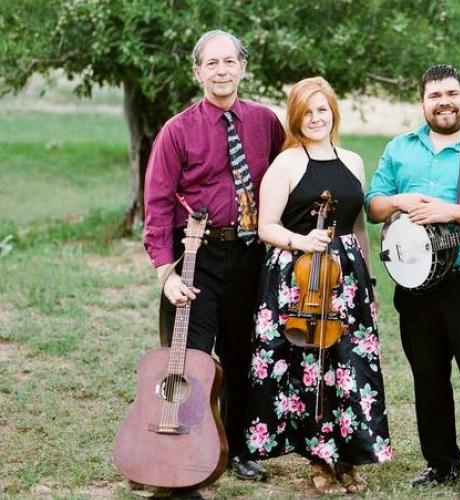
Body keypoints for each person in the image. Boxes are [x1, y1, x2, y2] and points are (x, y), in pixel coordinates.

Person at [366, 65, 460, 499]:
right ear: (422, 102)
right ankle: (441, 463)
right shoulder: (399, 149)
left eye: (452, 93)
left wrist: (449, 211)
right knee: (427, 377)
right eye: (435, 95)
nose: (444, 101)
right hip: (413, 287)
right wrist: (396, 200)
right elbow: (374, 206)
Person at [143, 29, 284, 482]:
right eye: (212, 64)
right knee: (193, 360)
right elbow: (158, 206)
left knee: (244, 356)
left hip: (250, 258)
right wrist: (166, 273)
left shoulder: (266, 123)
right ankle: (184, 451)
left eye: (229, 62)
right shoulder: (176, 131)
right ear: (197, 71)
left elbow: (286, 180)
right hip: (196, 258)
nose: (222, 71)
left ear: (243, 67)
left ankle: (238, 449)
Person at [242, 77, 391, 495]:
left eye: (322, 110)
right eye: (306, 112)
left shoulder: (353, 160)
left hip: (347, 279)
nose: (315, 118)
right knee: (309, 369)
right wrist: (302, 240)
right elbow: (265, 226)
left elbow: (358, 226)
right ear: (295, 117)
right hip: (299, 278)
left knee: (348, 368)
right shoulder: (286, 163)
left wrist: (368, 278)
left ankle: (347, 456)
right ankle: (318, 459)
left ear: (333, 112)